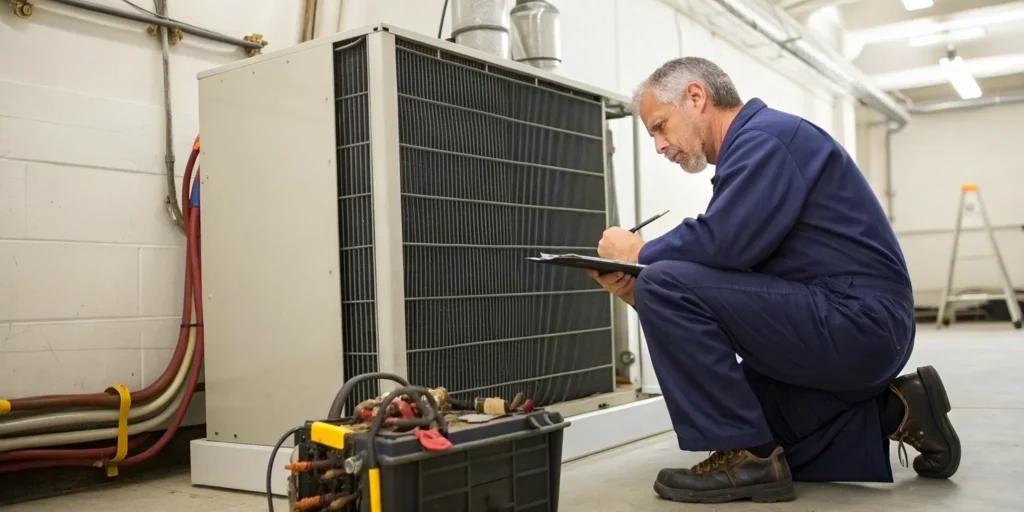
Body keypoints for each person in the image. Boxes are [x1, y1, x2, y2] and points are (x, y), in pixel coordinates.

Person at [590, 57, 961, 504]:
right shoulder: (757, 149)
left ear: (696, 97)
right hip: (844, 328)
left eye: (660, 126)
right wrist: (635, 288)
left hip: (856, 321)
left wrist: (639, 253)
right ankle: (900, 410)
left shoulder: (767, 138)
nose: (659, 145)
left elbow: (721, 244)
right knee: (774, 437)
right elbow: (723, 289)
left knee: (666, 281)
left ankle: (748, 462)